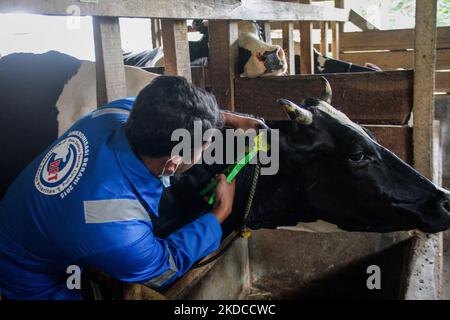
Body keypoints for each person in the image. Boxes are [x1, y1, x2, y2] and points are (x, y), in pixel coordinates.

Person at [0, 76, 263, 300]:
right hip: (26, 276)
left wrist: (228, 119)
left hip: (30, 224)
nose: (210, 146)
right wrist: (220, 212)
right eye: (206, 145)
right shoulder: (114, 222)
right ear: (172, 164)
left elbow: (163, 105)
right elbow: (163, 267)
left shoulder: (115, 114)